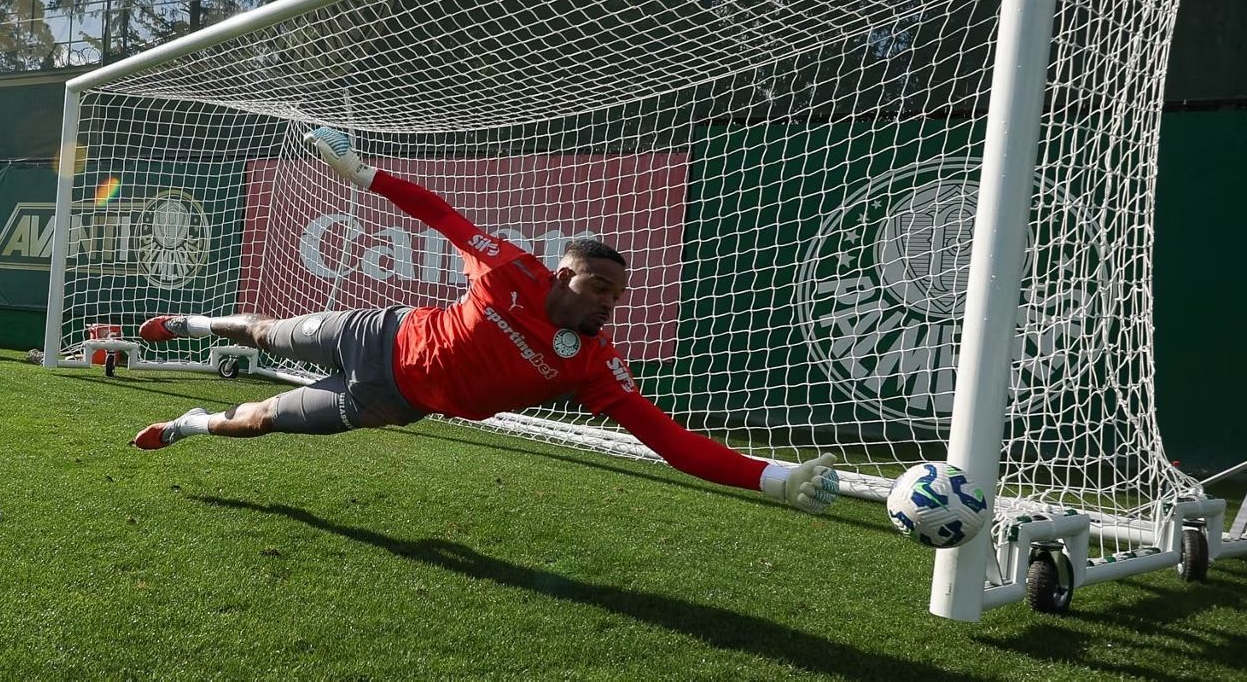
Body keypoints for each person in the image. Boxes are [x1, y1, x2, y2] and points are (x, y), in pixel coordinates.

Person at [132, 127, 840, 517]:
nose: (607, 305)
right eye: (599, 288)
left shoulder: (593, 366)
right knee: (260, 331)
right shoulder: (510, 271)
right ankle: (191, 321)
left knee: (253, 421)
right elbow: (442, 214)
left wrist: (769, 476)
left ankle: (191, 422)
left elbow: (672, 442)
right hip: (375, 331)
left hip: (386, 400)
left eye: (616, 299)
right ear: (565, 275)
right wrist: (363, 176)